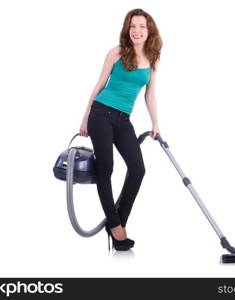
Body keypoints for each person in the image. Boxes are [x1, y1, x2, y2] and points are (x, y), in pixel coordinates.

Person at [79, 8, 163, 251]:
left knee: (138, 169)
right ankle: (117, 228)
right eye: (133, 26)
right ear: (127, 29)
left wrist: (155, 123)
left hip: (123, 119)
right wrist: (85, 118)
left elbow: (150, 94)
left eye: (142, 27)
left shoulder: (152, 59)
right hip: (101, 114)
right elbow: (99, 84)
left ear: (149, 31)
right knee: (106, 168)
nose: (136, 31)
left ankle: (118, 221)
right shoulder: (116, 53)